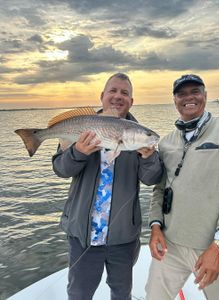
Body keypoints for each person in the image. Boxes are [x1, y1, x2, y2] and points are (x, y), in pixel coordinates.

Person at [52, 73, 163, 300]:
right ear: (102, 96)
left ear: (131, 101)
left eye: (125, 93)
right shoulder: (81, 126)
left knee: (122, 293)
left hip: (123, 237)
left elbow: (152, 179)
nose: (118, 96)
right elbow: (61, 170)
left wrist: (148, 158)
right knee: (79, 294)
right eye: (113, 91)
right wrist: (77, 152)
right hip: (83, 235)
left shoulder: (138, 135)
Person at [145, 74, 219, 300]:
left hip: (216, 248)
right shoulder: (166, 142)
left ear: (205, 96)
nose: (189, 98)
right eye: (181, 93)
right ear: (175, 100)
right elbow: (159, 190)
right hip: (171, 247)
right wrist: (156, 227)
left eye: (195, 92)